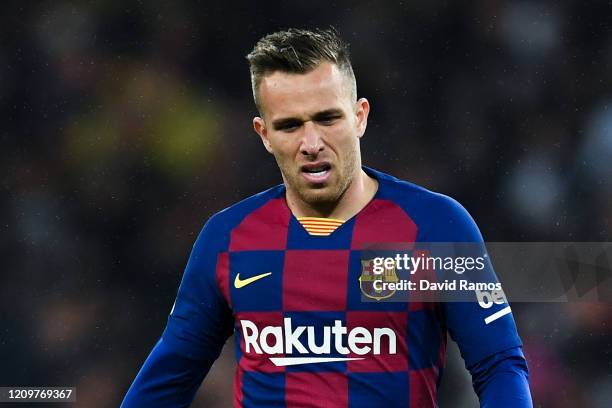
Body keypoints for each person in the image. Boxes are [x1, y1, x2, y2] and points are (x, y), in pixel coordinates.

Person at [122, 27, 532, 407]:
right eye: (290, 126)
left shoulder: (435, 226)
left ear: (359, 116)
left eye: (327, 118)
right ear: (264, 134)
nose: (311, 143)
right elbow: (168, 378)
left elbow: (498, 364)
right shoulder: (228, 238)